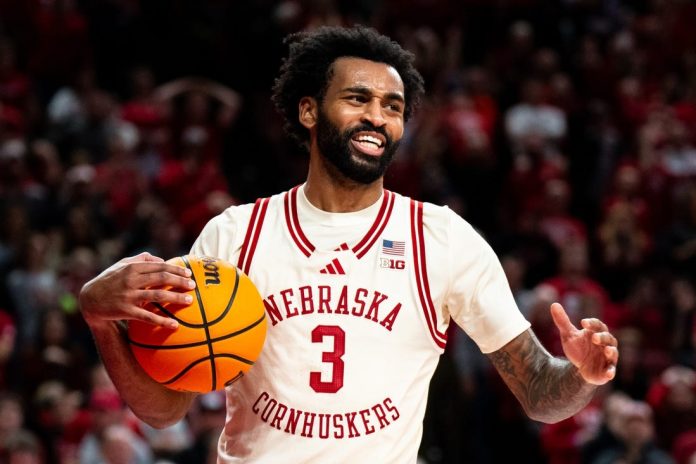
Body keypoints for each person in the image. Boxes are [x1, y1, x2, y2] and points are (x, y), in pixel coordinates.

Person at [78, 25, 619, 463]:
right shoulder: (235, 235)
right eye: (358, 98)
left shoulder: (443, 239)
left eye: (392, 106)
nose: (377, 117)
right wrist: (101, 321)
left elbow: (540, 393)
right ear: (309, 110)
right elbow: (166, 409)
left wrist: (582, 375)